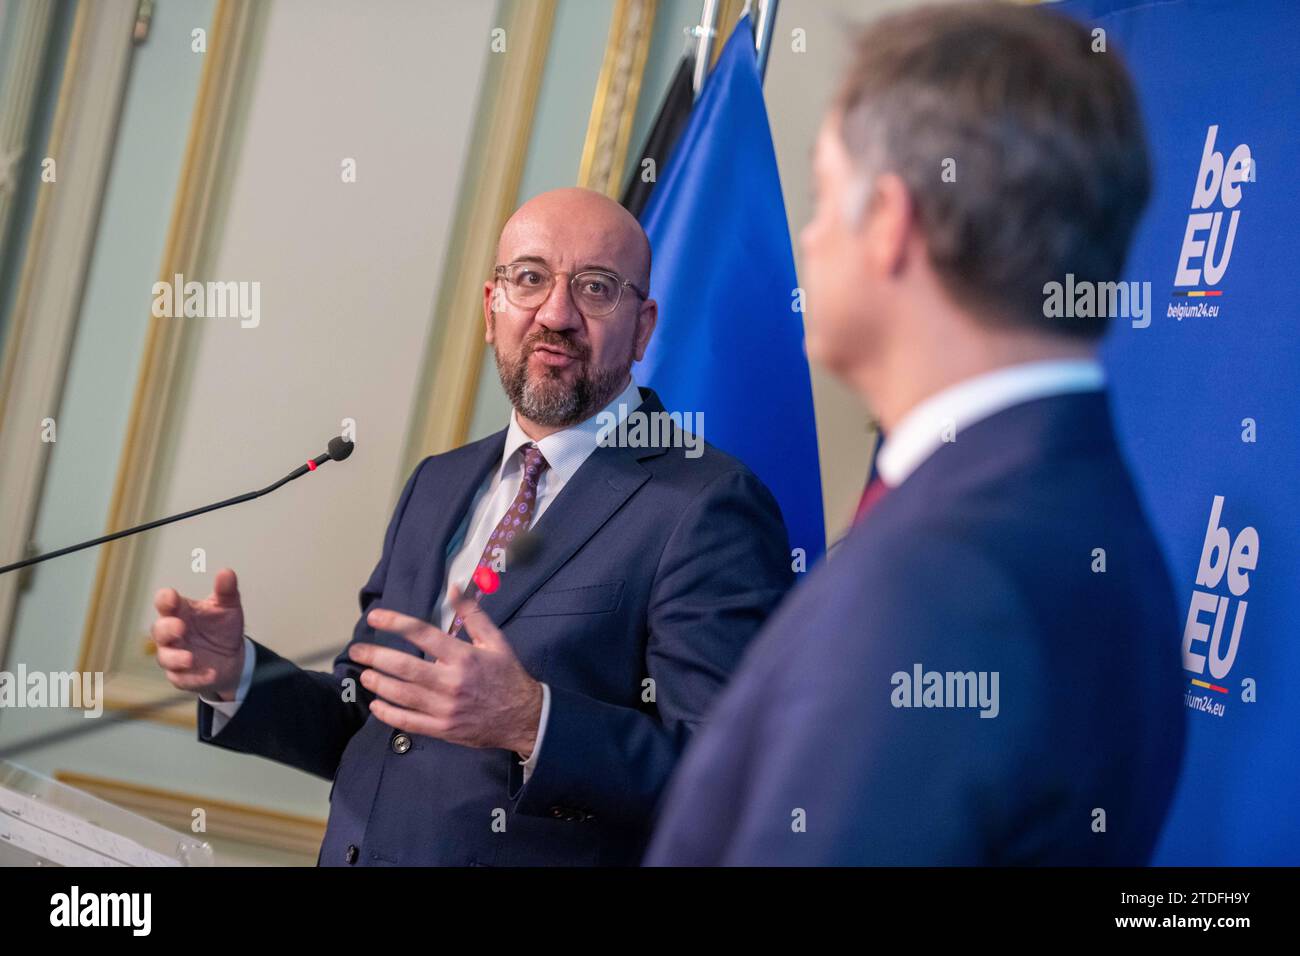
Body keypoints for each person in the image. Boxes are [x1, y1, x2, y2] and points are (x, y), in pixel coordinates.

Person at [646, 2, 1186, 866]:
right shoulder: (1082, 515)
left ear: (891, 222)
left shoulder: (942, 580)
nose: (811, 238)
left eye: (825, 196)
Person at [151, 187, 792, 866]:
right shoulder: (439, 482)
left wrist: (531, 722)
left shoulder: (707, 504)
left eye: (597, 288)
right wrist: (237, 675)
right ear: (492, 309)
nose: (556, 313)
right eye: (530, 279)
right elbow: (372, 717)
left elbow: (727, 783)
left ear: (642, 327)